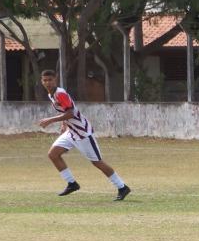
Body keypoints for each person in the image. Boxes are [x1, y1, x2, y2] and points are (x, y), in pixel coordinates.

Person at [37, 69, 131, 200]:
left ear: (55, 80)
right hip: (72, 132)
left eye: (50, 80)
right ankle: (72, 183)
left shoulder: (60, 94)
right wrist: (64, 124)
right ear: (41, 81)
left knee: (97, 162)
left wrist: (51, 120)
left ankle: (122, 187)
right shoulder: (51, 95)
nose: (47, 83)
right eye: (45, 80)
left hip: (82, 133)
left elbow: (70, 113)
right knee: (53, 154)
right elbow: (67, 112)